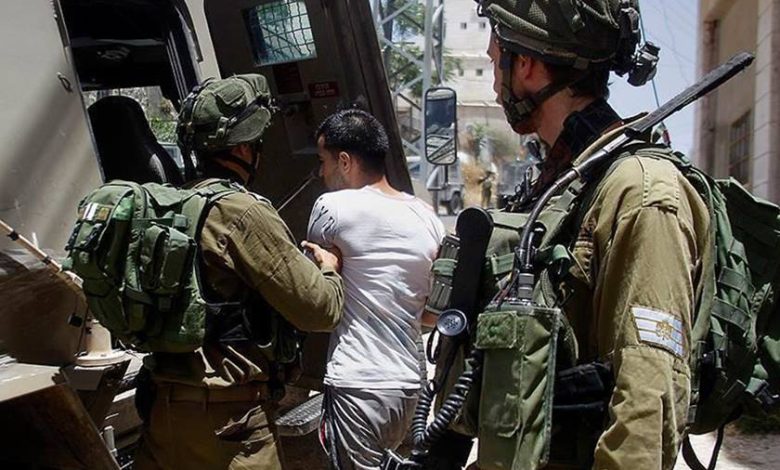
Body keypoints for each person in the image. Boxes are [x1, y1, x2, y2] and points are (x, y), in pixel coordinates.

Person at [427, 1, 712, 469]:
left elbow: (647, 401)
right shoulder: (559, 185)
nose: (495, 83)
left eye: (496, 58)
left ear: (527, 65)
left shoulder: (641, 191)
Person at [133, 74, 345, 470]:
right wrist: (330, 271)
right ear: (245, 147)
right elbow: (319, 310)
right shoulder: (241, 211)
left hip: (163, 414)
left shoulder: (170, 206)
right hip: (229, 424)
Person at [306, 109, 446, 470]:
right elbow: (431, 315)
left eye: (323, 162)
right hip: (410, 389)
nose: (321, 173)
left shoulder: (332, 208)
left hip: (358, 384)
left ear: (345, 161)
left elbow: (317, 299)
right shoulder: (427, 217)